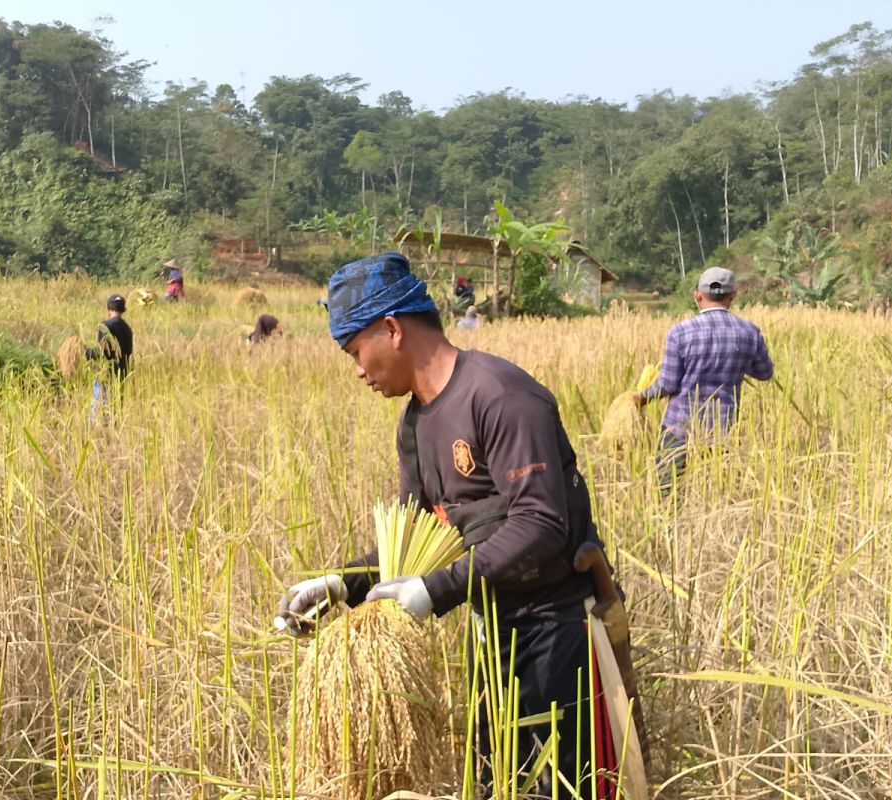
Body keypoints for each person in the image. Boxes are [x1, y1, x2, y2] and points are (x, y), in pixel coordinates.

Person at [275, 251, 621, 798]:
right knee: (496, 783)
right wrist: (342, 582)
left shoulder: (501, 396)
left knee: (563, 787)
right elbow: (418, 533)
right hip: (491, 634)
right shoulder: (415, 424)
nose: (358, 372)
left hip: (558, 632)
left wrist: (437, 591)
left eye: (355, 352)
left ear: (391, 329)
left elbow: (541, 523)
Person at [635, 266, 774, 490]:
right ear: (732, 297)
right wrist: (736, 362)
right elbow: (765, 373)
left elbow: (668, 383)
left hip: (678, 429)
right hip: (723, 429)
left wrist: (642, 397)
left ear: (698, 295)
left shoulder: (680, 332)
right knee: (716, 493)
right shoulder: (749, 332)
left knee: (668, 495)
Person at [86, 293, 133, 424]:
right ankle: (115, 428)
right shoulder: (127, 328)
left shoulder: (105, 326)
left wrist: (86, 351)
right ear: (123, 309)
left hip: (105, 372)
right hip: (122, 372)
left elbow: (102, 352)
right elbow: (128, 351)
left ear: (108, 308)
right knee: (116, 404)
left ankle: (96, 428)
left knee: (99, 402)